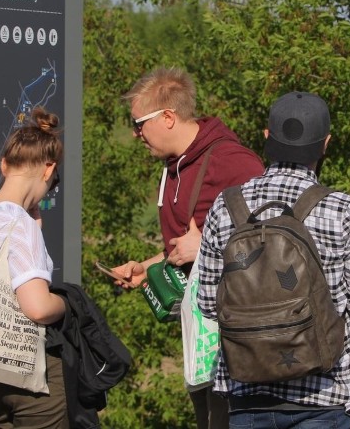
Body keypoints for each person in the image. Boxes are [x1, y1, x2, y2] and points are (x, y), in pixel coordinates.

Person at [196, 91, 350, 428]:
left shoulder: (226, 206)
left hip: (247, 393)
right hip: (324, 396)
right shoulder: (343, 210)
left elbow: (207, 303)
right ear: (326, 143)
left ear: (266, 138)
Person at [113, 67, 264, 429]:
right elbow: (184, 244)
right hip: (201, 337)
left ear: (167, 117)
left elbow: (271, 241)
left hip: (237, 341)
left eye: (139, 124)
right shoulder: (173, 166)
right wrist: (148, 267)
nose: (135, 134)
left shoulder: (235, 163)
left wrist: (208, 246)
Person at [0, 107, 68, 428]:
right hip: (32, 374)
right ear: (48, 169)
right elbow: (37, 308)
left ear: (5, 165)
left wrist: (32, 229)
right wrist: (69, 302)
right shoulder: (19, 223)